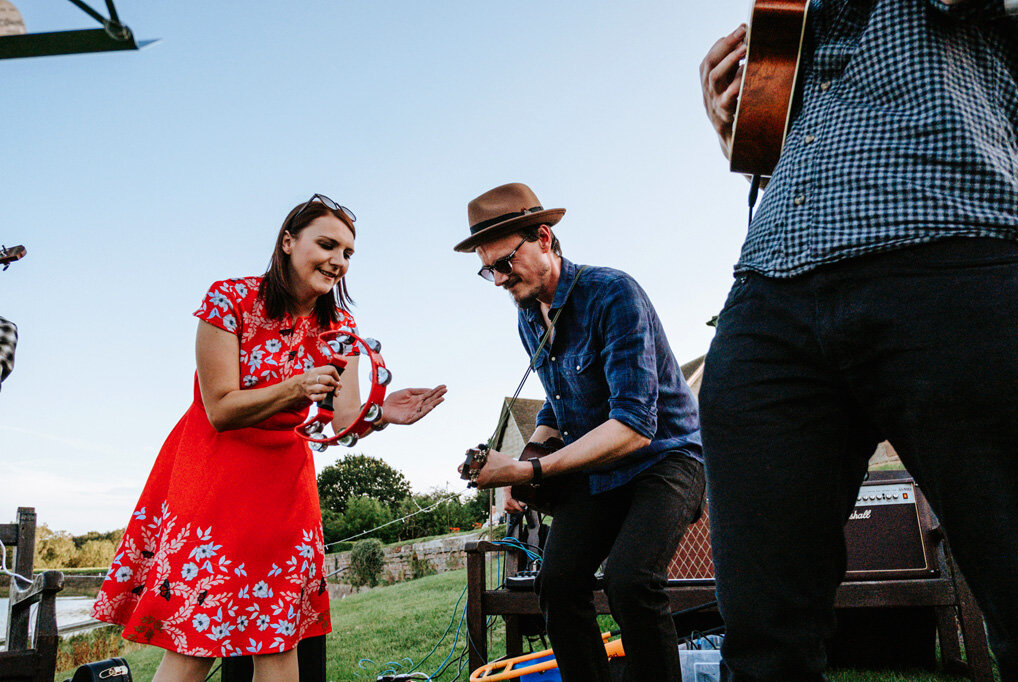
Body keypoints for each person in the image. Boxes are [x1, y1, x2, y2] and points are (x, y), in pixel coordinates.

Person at [698, 2, 1018, 679]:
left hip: (954, 229)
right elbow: (780, 127)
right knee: (761, 637)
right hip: (772, 275)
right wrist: (746, 115)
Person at [92, 194, 446, 682]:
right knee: (196, 643)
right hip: (214, 479)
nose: (338, 261)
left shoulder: (340, 328)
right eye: (327, 244)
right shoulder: (229, 299)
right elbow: (219, 408)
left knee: (278, 640)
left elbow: (341, 421)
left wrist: (380, 414)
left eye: (348, 253)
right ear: (287, 242)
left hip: (285, 490)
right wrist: (297, 387)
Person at [454, 182, 705, 682]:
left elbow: (635, 426)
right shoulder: (528, 317)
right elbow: (558, 399)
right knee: (558, 582)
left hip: (665, 459)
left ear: (544, 238)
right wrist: (521, 470)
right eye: (488, 270)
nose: (499, 279)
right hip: (601, 472)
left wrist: (532, 467)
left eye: (504, 263)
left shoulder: (613, 293)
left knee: (630, 582)